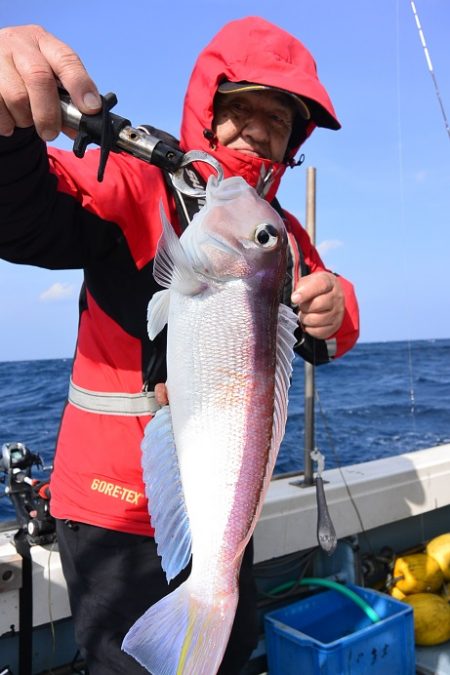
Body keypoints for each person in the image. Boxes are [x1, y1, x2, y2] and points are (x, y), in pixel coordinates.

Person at [0, 16, 359, 675]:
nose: (256, 126)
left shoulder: (277, 234)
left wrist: (334, 305)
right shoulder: (136, 183)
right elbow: (24, 216)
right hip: (114, 509)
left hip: (224, 504)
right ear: (205, 106)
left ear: (295, 139)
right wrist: (6, 133)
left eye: (277, 117)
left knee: (225, 644)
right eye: (240, 106)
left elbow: (327, 321)